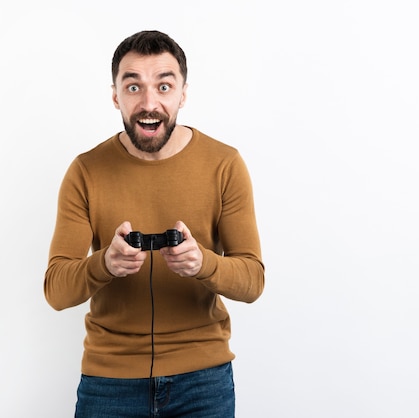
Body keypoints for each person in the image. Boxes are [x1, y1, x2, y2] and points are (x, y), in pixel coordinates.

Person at [44, 30, 264, 417]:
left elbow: (252, 281)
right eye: (133, 87)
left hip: (203, 380)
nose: (149, 103)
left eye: (164, 86)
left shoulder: (224, 164)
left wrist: (203, 264)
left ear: (183, 93)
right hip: (108, 382)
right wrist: (104, 265)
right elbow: (56, 291)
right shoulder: (85, 172)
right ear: (115, 95)